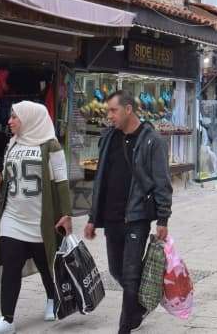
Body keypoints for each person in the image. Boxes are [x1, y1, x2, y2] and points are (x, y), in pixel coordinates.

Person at [84, 91, 172, 334]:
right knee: (116, 270)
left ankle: (125, 327)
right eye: (108, 110)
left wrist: (163, 218)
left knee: (131, 273)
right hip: (112, 217)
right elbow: (100, 178)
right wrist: (93, 217)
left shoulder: (152, 140)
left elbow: (162, 181)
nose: (109, 115)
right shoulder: (108, 138)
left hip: (137, 216)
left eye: (113, 110)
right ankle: (139, 306)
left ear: (129, 109)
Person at [0, 101, 71, 334]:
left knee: (45, 264)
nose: (9, 121)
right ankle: (7, 319)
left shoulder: (51, 146)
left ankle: (52, 298)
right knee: (11, 265)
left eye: (14, 117)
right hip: (12, 217)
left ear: (30, 118)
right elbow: (10, 178)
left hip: (41, 220)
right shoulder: (12, 144)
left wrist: (66, 214)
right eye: (10, 117)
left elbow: (61, 181)